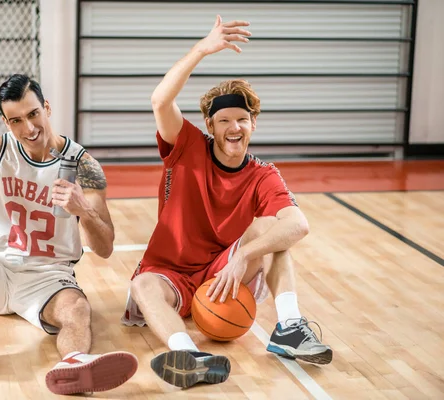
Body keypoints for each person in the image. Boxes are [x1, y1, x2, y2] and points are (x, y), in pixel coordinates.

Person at [121, 16, 332, 388]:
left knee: (274, 228)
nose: (233, 128)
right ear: (209, 124)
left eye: (242, 120)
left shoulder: (265, 174)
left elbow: (299, 225)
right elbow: (159, 99)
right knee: (142, 286)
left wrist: (245, 256)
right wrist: (203, 48)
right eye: (223, 120)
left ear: (254, 125)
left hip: (223, 273)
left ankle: (289, 327)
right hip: (170, 271)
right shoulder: (186, 146)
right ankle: (190, 356)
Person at [0, 74, 138, 395]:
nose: (29, 128)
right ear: (6, 123)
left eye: (33, 114)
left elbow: (104, 247)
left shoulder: (84, 165)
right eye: (16, 120)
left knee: (78, 310)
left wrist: (83, 210)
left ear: (46, 108)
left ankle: (73, 363)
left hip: (49, 281)